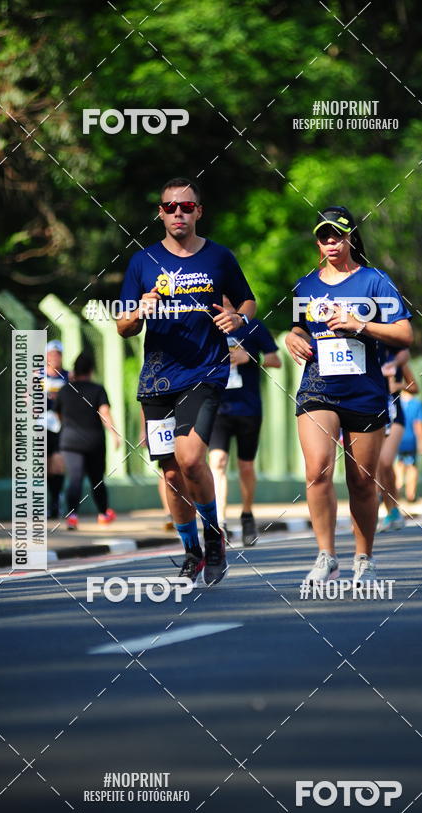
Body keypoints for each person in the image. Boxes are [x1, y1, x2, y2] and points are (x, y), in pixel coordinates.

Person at [117, 178, 256, 586]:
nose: (178, 213)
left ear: (199, 211)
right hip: (158, 381)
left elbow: (247, 299)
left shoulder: (219, 257)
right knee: (172, 473)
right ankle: (191, 551)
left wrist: (239, 319)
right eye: (170, 207)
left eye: (187, 207)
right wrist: (138, 310)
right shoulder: (142, 263)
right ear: (159, 213)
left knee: (193, 458)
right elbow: (123, 327)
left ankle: (214, 538)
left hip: (206, 372)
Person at [285, 205, 412, 588]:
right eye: (324, 237)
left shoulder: (375, 281)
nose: (330, 243)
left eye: (337, 236)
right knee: (317, 469)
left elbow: (405, 334)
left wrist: (361, 324)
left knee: (361, 480)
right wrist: (294, 338)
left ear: (350, 237)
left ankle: (364, 558)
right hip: (318, 388)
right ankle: (326, 555)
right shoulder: (306, 285)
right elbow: (297, 329)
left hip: (364, 392)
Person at [209, 315, 280, 545]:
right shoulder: (206, 323)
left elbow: (275, 360)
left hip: (247, 408)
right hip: (217, 406)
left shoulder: (253, 326)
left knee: (245, 467)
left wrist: (249, 357)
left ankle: (247, 515)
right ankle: (220, 523)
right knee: (217, 461)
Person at [54, 351, 121, 529]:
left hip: (69, 441)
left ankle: (72, 517)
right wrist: (115, 434)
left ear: (74, 371)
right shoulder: (98, 389)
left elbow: (58, 414)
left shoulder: (64, 390)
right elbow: (105, 413)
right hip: (94, 441)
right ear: (91, 370)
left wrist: (67, 428)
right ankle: (103, 513)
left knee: (74, 478)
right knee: (97, 479)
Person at [377, 352, 419, 531]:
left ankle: (394, 510)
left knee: (385, 462)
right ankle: (390, 511)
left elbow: (415, 387)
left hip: (395, 417)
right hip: (373, 415)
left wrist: (399, 385)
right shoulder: (363, 355)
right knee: (377, 469)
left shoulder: (397, 361)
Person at [43, 340, 69, 518]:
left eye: (58, 354)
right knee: (44, 464)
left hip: (61, 425)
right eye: (51, 354)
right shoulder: (37, 376)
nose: (54, 357)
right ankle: (46, 501)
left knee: (58, 464)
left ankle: (56, 499)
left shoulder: (69, 376)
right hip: (40, 425)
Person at [396, 389, 422, 503]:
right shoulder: (417, 404)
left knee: (398, 465)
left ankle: (396, 491)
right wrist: (421, 441)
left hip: (396, 438)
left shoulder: (395, 402)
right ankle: (410, 495)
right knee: (412, 467)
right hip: (411, 440)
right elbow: (418, 425)